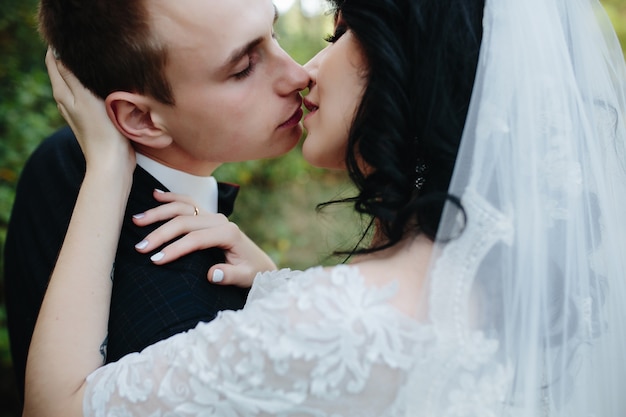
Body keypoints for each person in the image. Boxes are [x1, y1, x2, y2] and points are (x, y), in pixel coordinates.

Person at [24, 0, 626, 415]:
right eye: (243, 63)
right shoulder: (514, 296)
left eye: (337, 34)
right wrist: (277, 288)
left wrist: (107, 164)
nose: (302, 70)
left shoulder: (340, 323)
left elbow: (56, 406)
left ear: (402, 66)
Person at [4, 0, 308, 400]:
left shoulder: (59, 156)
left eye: (274, 33)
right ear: (141, 119)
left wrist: (268, 280)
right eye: (243, 68)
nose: (298, 74)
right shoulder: (195, 335)